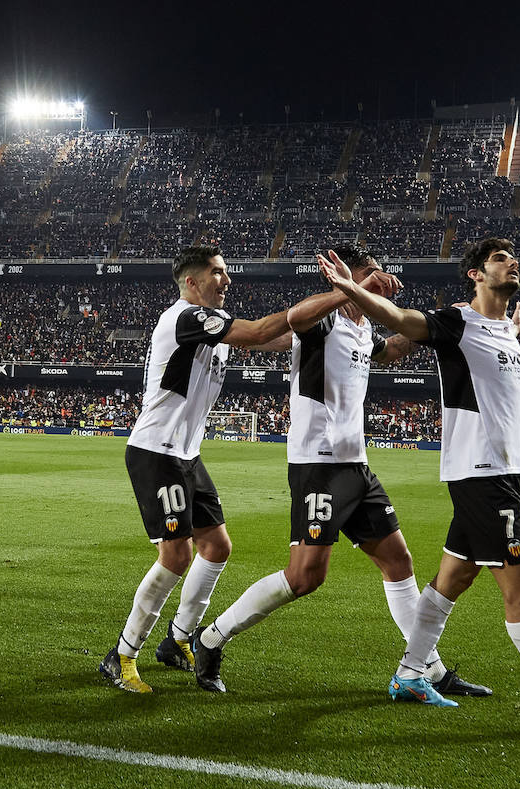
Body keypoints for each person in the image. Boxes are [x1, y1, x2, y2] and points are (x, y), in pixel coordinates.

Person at [315, 238, 520, 737]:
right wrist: (351, 288)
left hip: (503, 474)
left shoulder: (503, 330)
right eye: (500, 259)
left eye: (512, 256)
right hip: (481, 475)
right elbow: (401, 322)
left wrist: (514, 331)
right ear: (476, 275)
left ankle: (410, 674)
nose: (512, 262)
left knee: (451, 581)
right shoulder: (458, 322)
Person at [189, 244, 491, 700]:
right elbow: (295, 319)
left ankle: (427, 670)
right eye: (369, 275)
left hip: (357, 467)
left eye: (378, 274)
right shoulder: (322, 320)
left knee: (398, 562)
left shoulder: (363, 328)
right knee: (305, 577)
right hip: (318, 466)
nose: (378, 281)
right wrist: (354, 287)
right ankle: (211, 638)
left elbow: (389, 351)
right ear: (347, 278)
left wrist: (430, 325)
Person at [97, 244, 301, 695]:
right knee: (176, 555)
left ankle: (177, 640)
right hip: (157, 451)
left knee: (217, 546)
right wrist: (335, 295)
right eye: (217, 272)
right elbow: (261, 330)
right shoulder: (185, 317)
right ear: (192, 281)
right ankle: (122, 655)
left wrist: (329, 320)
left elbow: (274, 338)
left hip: (185, 453)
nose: (226, 280)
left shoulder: (210, 324)